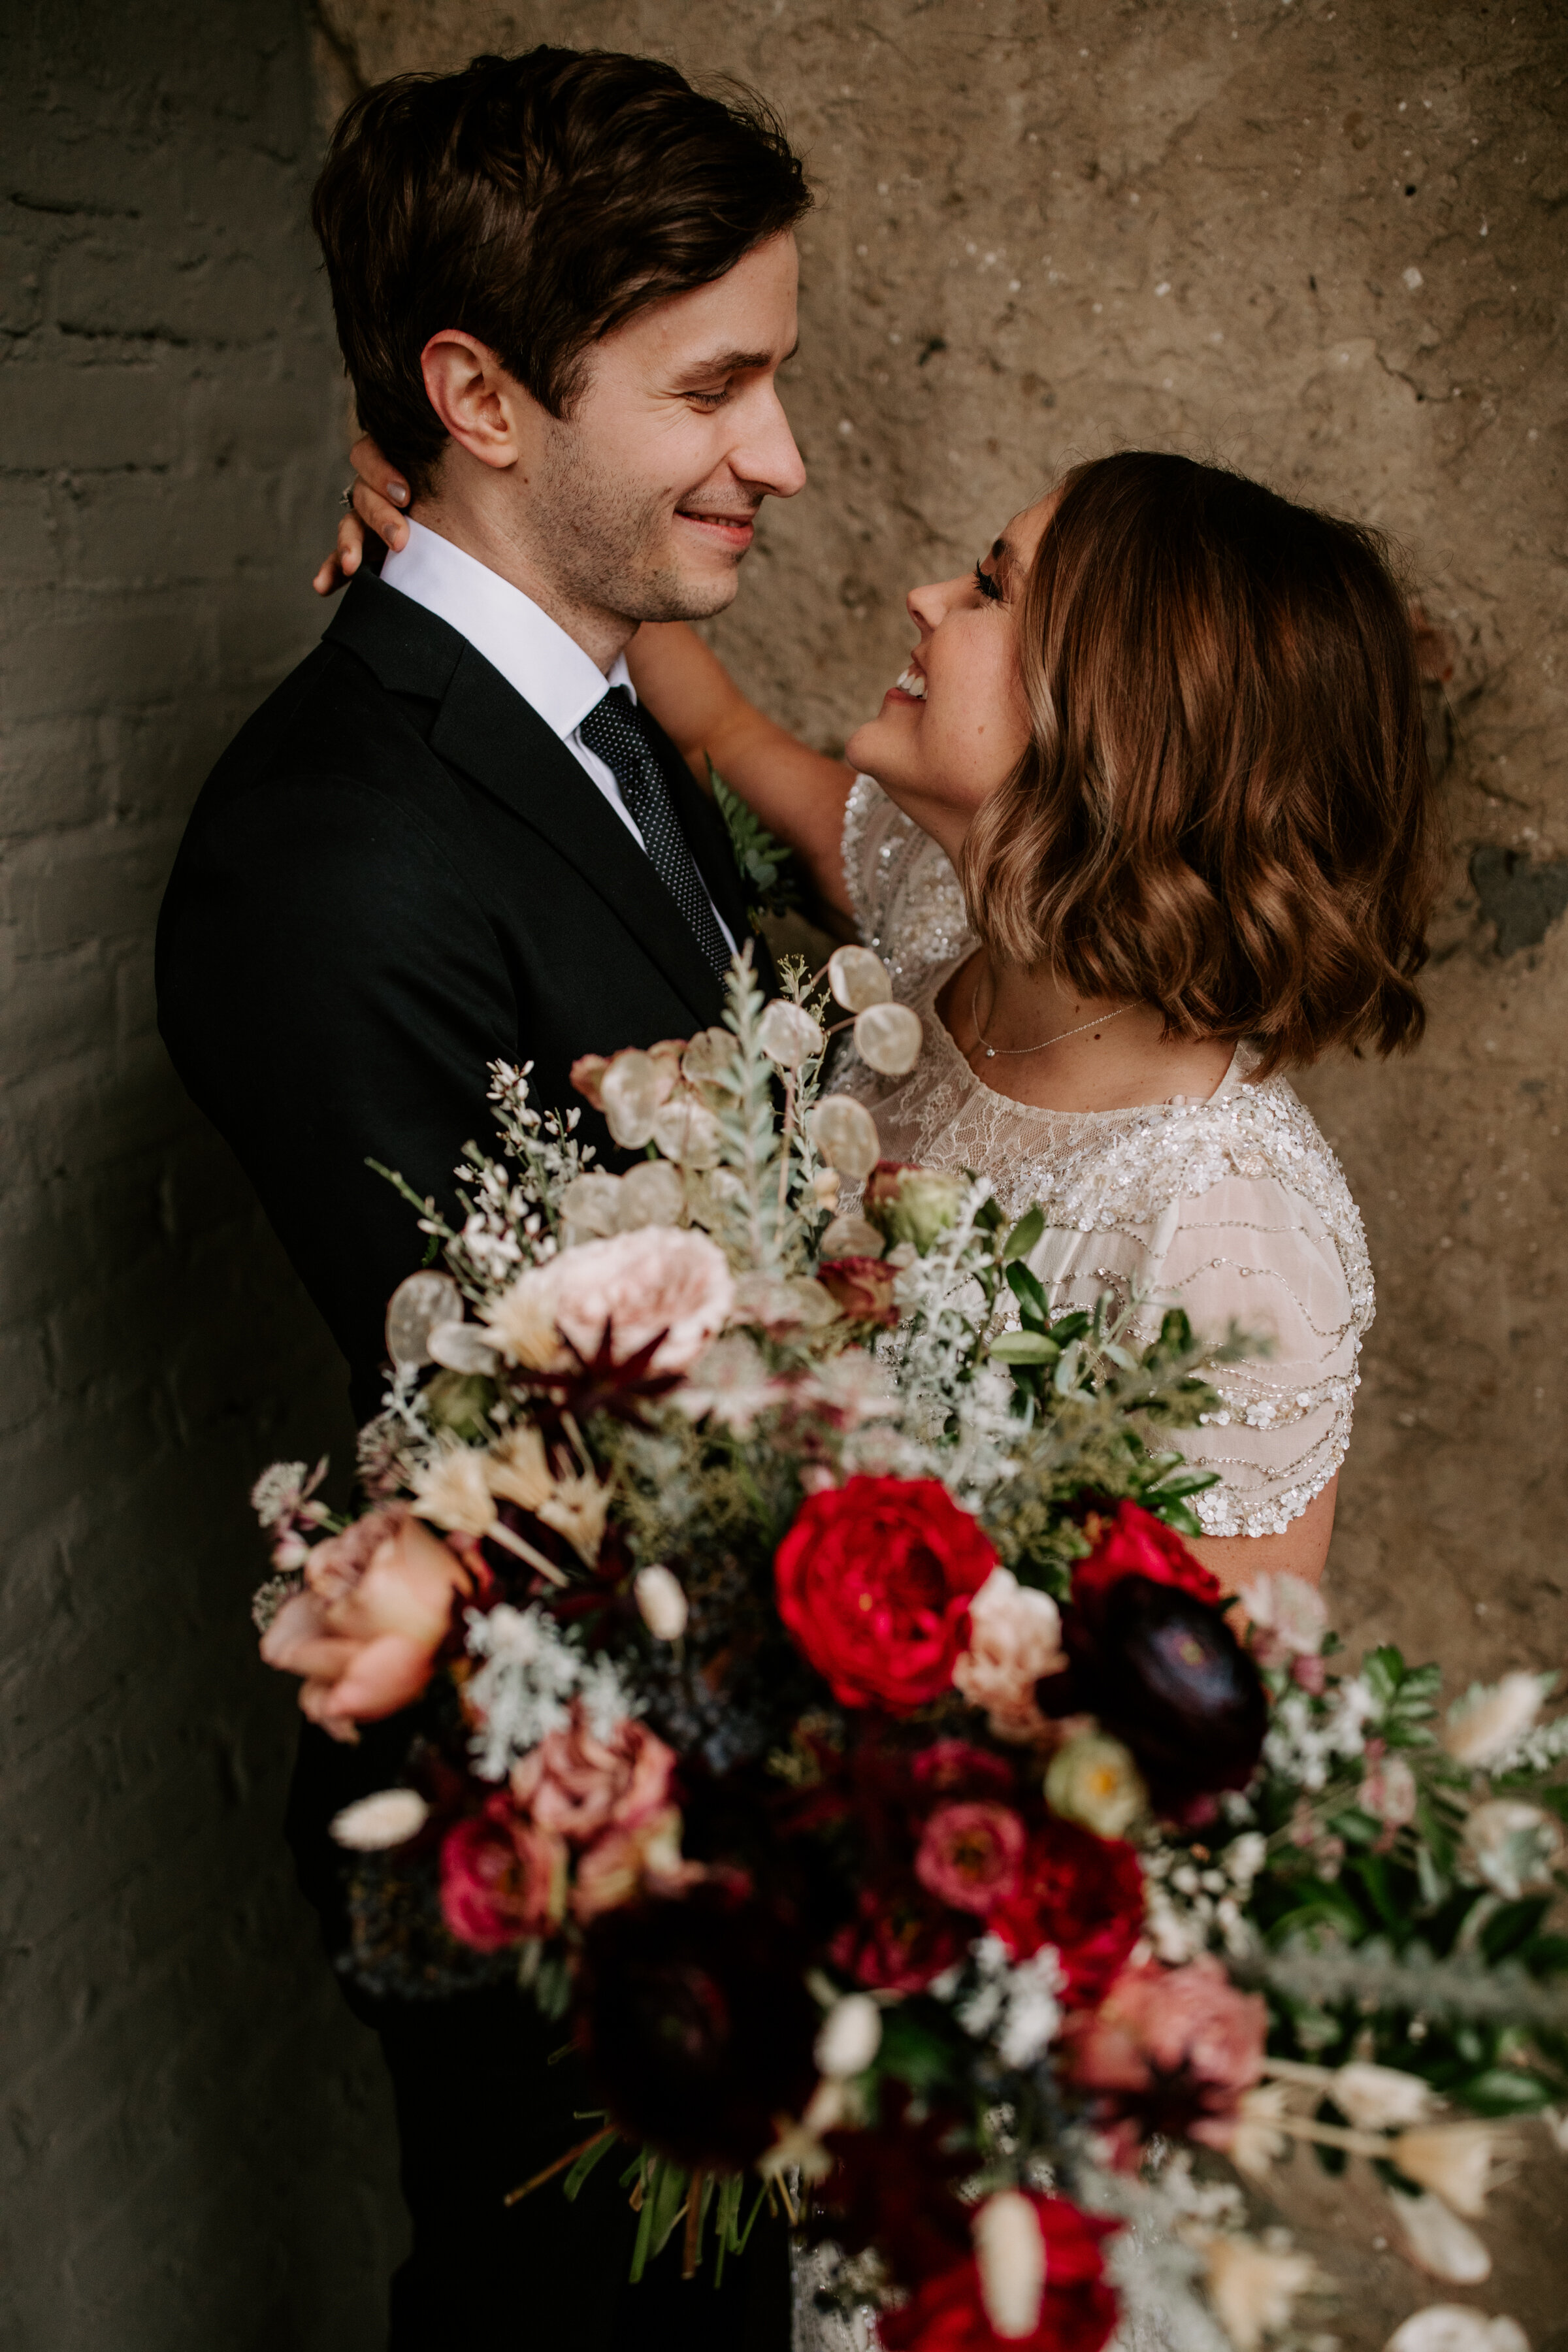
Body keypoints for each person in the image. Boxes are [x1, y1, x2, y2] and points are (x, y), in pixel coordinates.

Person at [156, 46, 812, 2350]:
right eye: (715, 387)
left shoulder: (596, 706)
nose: (784, 458)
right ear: (483, 394)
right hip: (572, 1871)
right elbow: (542, 1440)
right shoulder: (332, 852)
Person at [333, 445, 1441, 1596]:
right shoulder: (944, 900)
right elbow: (721, 726)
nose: (927, 599)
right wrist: (481, 519)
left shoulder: (1228, 1232)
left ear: (1122, 725)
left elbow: (1202, 1707)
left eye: (992, 591)